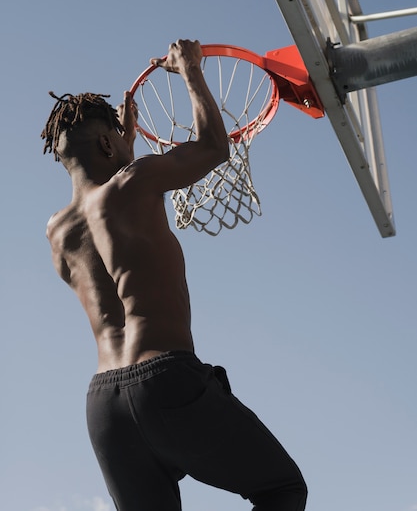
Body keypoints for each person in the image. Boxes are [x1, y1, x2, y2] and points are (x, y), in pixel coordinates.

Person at [42, 39, 307, 511]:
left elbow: (108, 221)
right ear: (107, 142)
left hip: (104, 408)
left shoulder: (58, 234)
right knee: (282, 489)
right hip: (163, 380)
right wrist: (190, 70)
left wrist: (120, 148)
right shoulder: (133, 183)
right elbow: (212, 147)